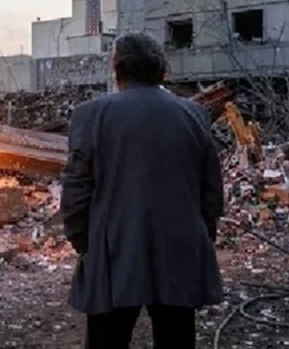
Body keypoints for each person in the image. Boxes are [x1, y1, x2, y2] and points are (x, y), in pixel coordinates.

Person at [60, 32, 224, 348]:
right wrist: (201, 237)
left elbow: (76, 189)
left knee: (107, 339)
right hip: (180, 247)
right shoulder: (194, 114)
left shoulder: (91, 115)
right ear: (161, 68)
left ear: (116, 68)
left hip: (114, 251)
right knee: (176, 337)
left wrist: (82, 241)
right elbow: (211, 191)